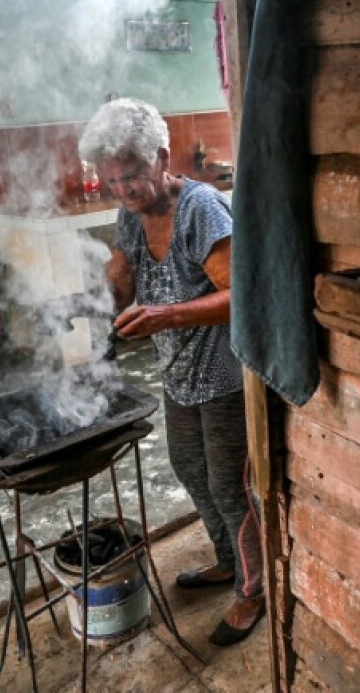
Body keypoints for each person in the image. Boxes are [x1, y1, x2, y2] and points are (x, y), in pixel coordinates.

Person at [78, 97, 265, 646]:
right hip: (179, 373)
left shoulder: (200, 208)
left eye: (132, 176)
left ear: (162, 157)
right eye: (112, 181)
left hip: (225, 374)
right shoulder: (130, 213)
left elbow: (242, 297)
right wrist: (98, 295)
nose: (124, 190)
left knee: (231, 488)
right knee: (190, 470)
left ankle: (255, 591)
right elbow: (125, 272)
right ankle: (230, 561)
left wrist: (166, 315)